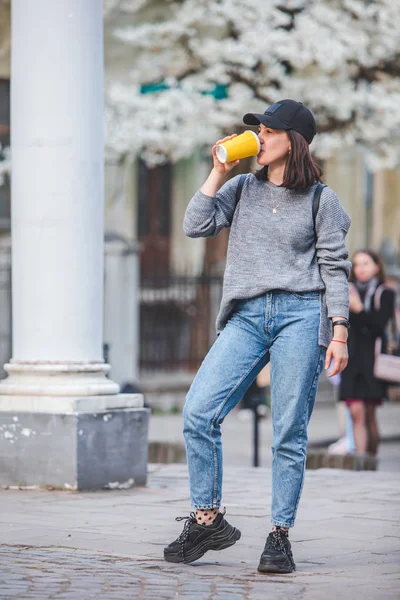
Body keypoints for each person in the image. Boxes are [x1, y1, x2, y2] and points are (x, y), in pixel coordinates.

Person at [163, 99, 351, 573]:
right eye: (258, 131)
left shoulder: (320, 200)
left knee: (288, 429)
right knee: (198, 412)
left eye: (269, 131)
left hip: (302, 315)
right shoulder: (242, 187)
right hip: (246, 315)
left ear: (295, 141)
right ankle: (207, 521)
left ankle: (279, 536)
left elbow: (335, 268)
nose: (260, 138)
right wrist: (217, 171)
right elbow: (195, 224)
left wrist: (340, 331)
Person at [339, 249, 396, 456]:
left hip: (373, 361)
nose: (361, 269)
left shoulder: (385, 293)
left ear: (376, 266)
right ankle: (361, 464)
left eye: (366, 263)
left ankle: (371, 461)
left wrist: (359, 309)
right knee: (356, 413)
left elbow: (378, 326)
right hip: (351, 359)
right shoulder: (346, 290)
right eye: (357, 264)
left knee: (370, 414)